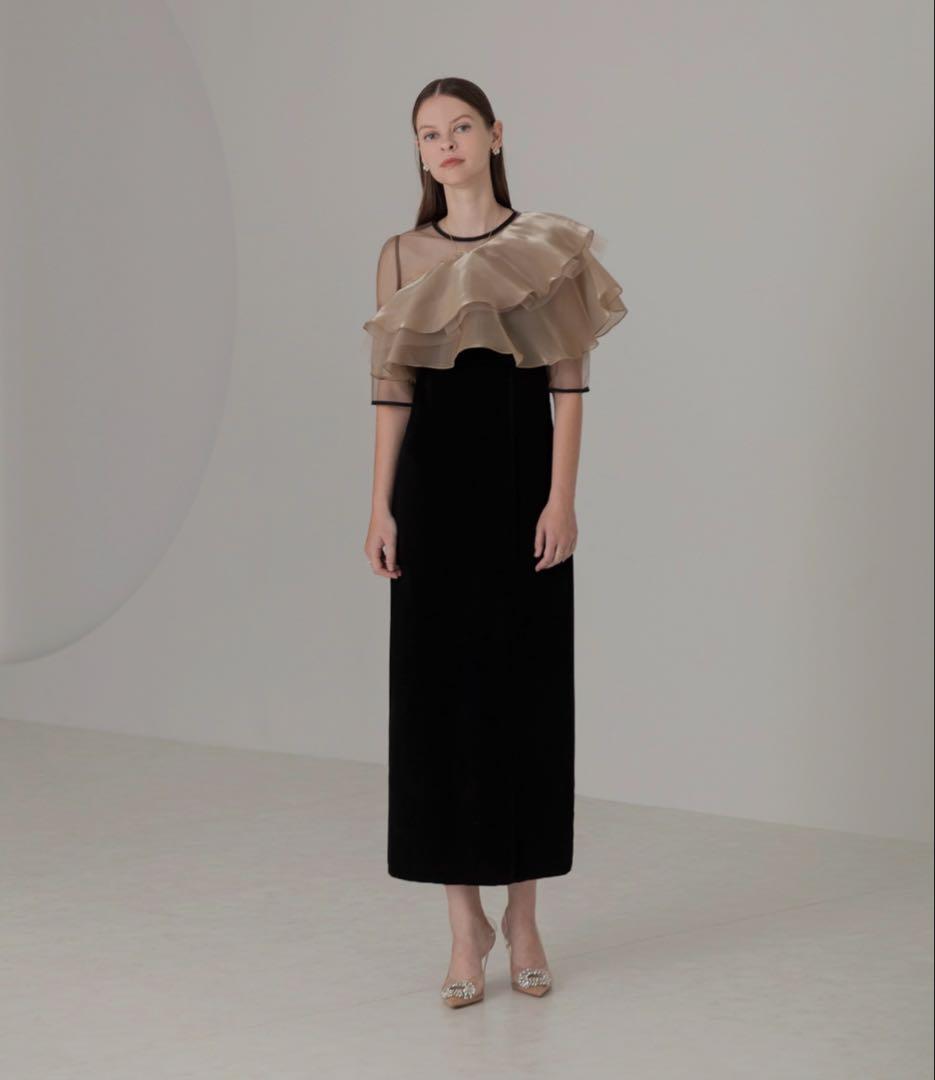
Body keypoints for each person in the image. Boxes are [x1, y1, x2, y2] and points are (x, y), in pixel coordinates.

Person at [363, 77, 628, 1008]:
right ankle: (461, 929)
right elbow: (392, 385)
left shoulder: (548, 246)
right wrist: (379, 506)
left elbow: (569, 385)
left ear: (493, 135)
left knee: (522, 696)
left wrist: (562, 498)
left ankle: (522, 918)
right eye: (427, 134)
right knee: (437, 703)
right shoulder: (402, 254)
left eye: (459, 127)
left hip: (521, 492)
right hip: (432, 494)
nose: (444, 145)